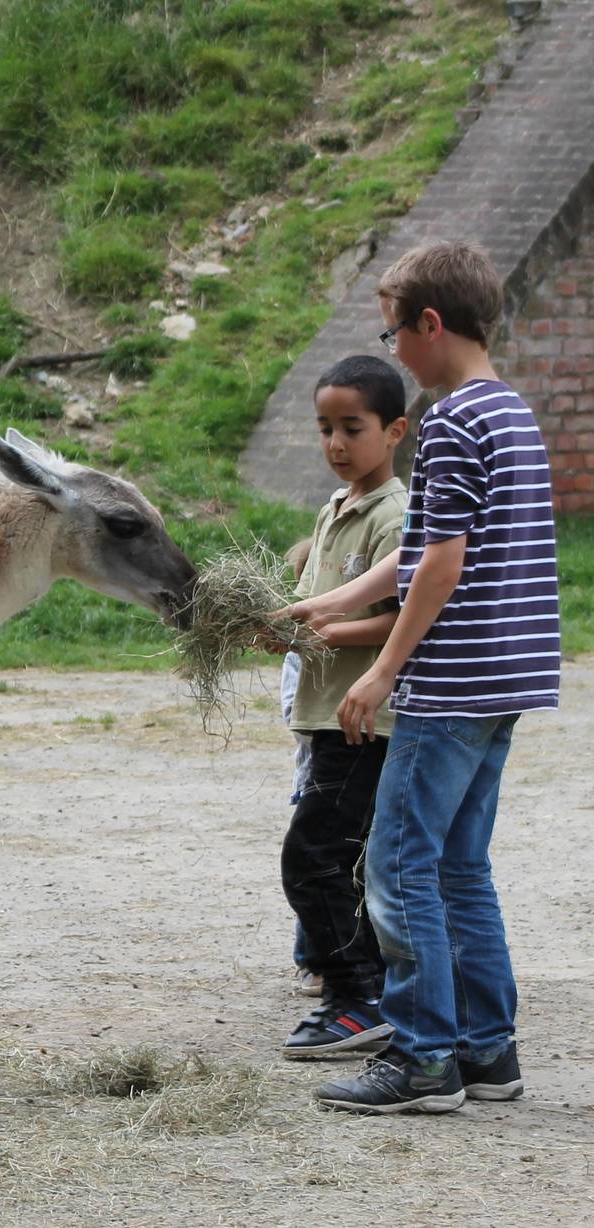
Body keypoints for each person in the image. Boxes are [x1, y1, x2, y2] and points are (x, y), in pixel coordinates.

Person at [289, 240, 559, 1114]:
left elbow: (439, 562)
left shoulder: (447, 422)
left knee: (399, 868)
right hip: (508, 679)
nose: (393, 351)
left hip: (449, 685)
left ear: (430, 325)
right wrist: (328, 604)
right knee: (458, 868)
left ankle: (422, 1056)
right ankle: (488, 1051)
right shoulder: (511, 412)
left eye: (395, 332)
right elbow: (418, 551)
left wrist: (382, 673)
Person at [274, 356, 408, 1061]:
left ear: (394, 432)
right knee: (337, 858)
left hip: (362, 722)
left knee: (314, 858)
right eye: (324, 428)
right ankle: (360, 990)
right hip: (325, 715)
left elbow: (408, 618)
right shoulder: (336, 507)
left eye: (351, 428)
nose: (334, 444)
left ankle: (357, 1000)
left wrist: (322, 629)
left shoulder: (396, 515)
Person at [279, 537, 321, 998]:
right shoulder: (299, 649)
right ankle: (311, 960)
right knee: (314, 859)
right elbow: (294, 714)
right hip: (315, 776)